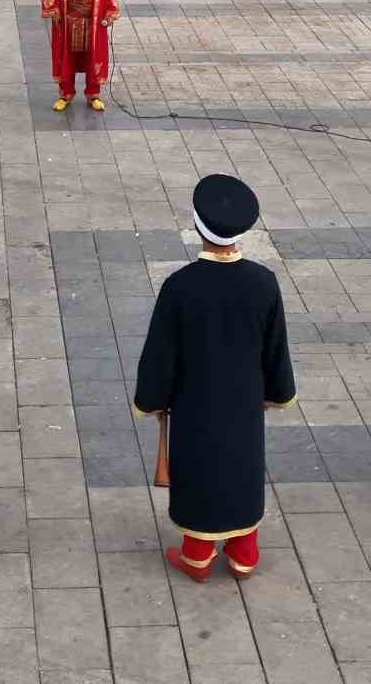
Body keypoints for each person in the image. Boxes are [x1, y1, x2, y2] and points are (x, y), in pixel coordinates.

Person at [134, 175, 295, 579]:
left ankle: (198, 555)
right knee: (242, 466)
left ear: (197, 226)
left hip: (195, 402)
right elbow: (276, 348)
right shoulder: (264, 282)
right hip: (245, 400)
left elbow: (160, 353)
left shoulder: (180, 287)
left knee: (200, 468)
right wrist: (278, 391)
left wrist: (151, 399)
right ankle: (244, 554)